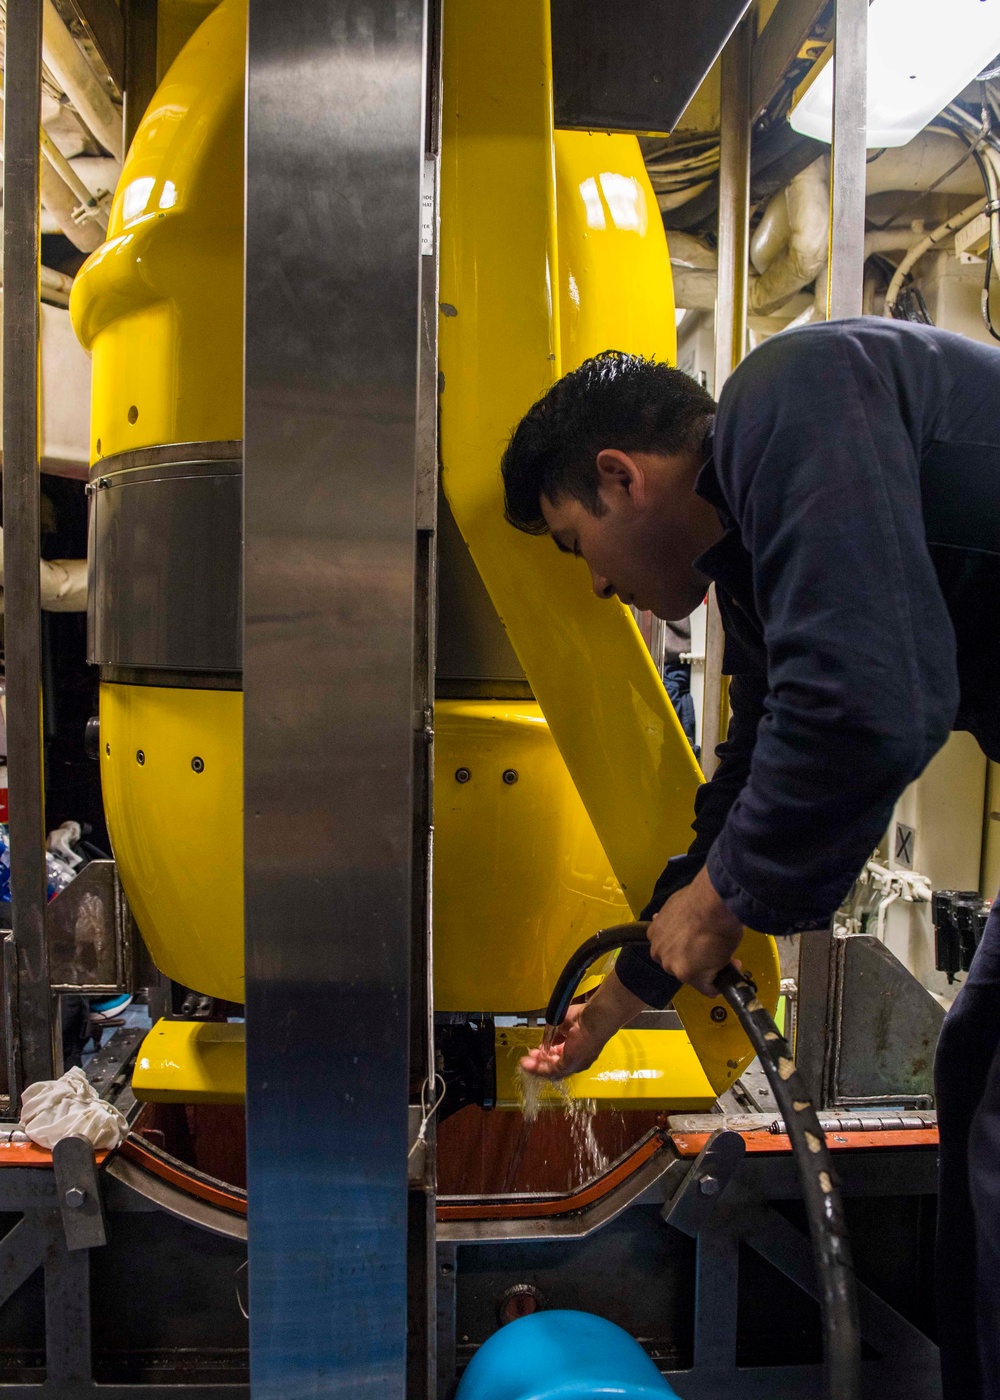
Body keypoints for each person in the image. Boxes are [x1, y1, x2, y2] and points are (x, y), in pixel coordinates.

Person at [499, 319, 1000, 1400]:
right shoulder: (757, 551)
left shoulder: (793, 393)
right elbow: (754, 762)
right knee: (979, 1066)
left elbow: (868, 705)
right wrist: (629, 985)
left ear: (618, 475)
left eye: (572, 543)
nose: (592, 586)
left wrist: (724, 900)